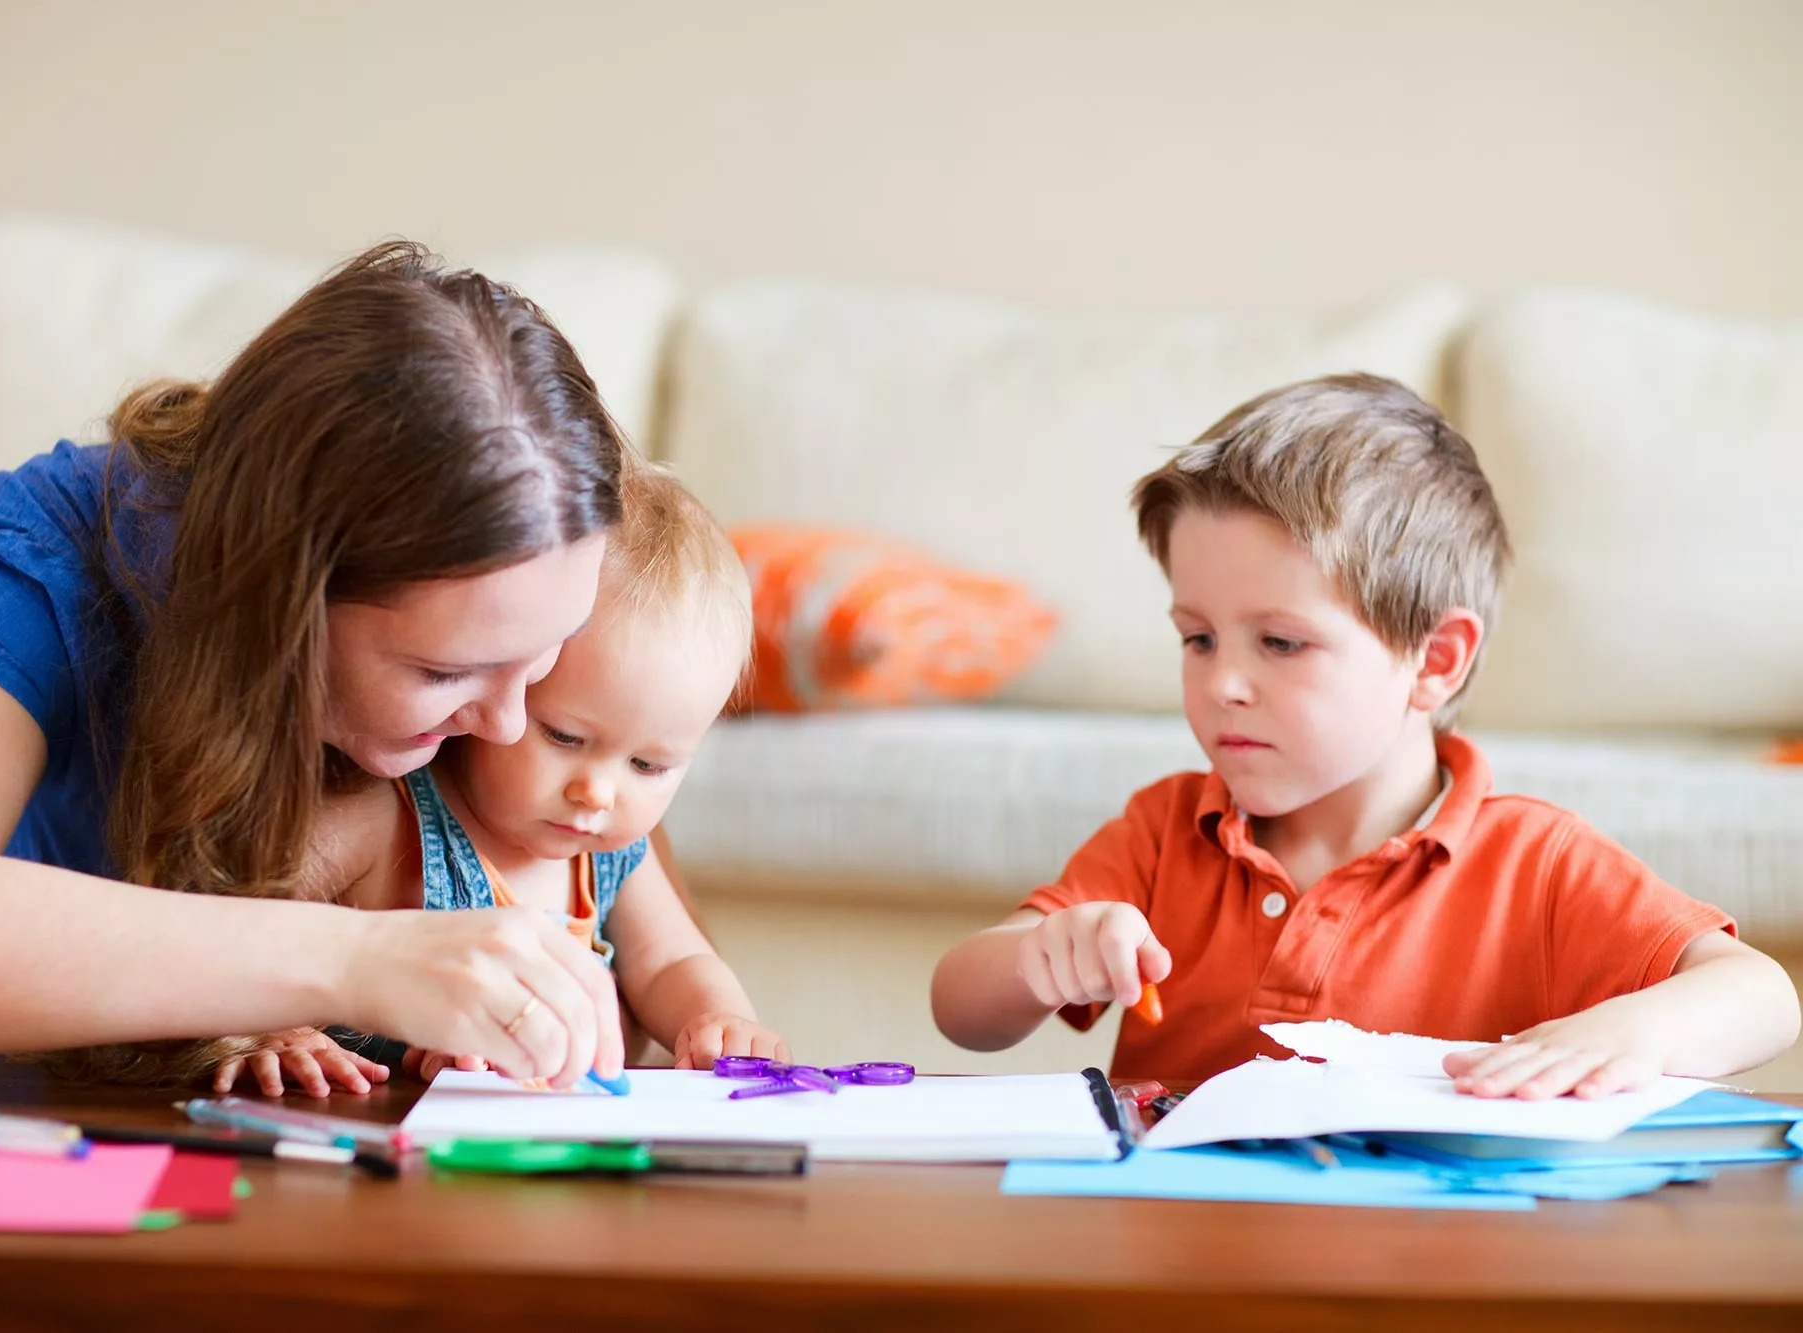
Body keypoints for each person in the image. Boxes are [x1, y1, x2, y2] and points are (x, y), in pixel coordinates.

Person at [0, 241, 652, 1092]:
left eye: (540, 661)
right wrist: (361, 960)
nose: (506, 725)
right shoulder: (52, 547)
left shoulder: (523, 606)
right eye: (442, 673)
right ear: (280, 598)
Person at [931, 374, 1800, 1098]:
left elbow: (1762, 995)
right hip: (1179, 1256)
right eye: (1197, 638)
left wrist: (1627, 1031)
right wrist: (1041, 956)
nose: (1222, 683)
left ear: (1435, 660)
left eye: (1279, 642)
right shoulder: (1164, 832)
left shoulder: (1535, 862)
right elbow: (960, 1008)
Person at [198, 458, 786, 1095]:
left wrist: (718, 1020)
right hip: (366, 1140)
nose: (598, 791)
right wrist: (272, 1032)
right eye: (564, 737)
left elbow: (671, 960)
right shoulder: (385, 815)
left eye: (648, 765)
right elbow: (236, 921)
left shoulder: (613, 855)